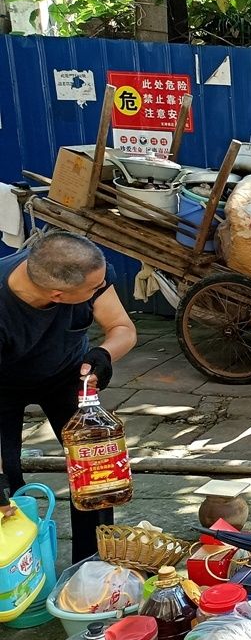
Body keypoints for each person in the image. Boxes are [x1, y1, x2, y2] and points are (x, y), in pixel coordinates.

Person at [0, 231, 136, 562]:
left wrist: (103, 354)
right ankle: (21, 562)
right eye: (93, 290)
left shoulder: (89, 272)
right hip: (2, 386)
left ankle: (92, 563)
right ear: (58, 296)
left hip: (67, 375)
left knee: (97, 469)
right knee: (6, 484)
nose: (100, 289)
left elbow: (122, 328)